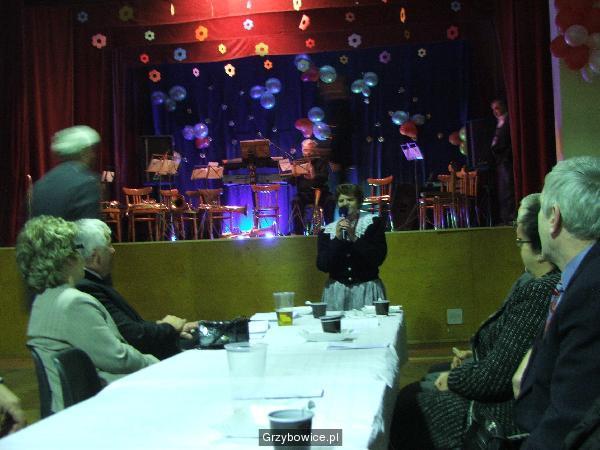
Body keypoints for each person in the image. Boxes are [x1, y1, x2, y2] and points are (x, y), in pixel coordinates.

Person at [389, 193, 560, 449]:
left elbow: (498, 376)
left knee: (408, 403)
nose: (518, 249)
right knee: (419, 387)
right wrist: (474, 356)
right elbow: (509, 349)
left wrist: (455, 378)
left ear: (541, 252)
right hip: (499, 387)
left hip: (502, 412)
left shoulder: (541, 290)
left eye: (519, 242)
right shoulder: (534, 282)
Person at [16, 216, 158, 413]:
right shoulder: (73, 303)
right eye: (76, 249)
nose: (81, 255)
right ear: (65, 258)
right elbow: (118, 358)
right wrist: (158, 364)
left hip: (66, 408)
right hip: (92, 410)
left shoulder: (42, 301)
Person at [514, 156, 600, 449]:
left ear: (554, 218)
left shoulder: (590, 292)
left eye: (540, 211)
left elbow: (569, 418)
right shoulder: (580, 275)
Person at [74, 219, 197, 360]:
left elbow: (132, 327)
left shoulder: (93, 283)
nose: (113, 250)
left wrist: (171, 329)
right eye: (109, 245)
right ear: (95, 257)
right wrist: (169, 327)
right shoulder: (87, 287)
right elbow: (132, 335)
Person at [317, 183, 387, 310]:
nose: (345, 203)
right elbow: (323, 265)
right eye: (341, 201)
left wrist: (354, 237)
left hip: (366, 289)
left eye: (350, 199)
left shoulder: (372, 224)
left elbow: (377, 258)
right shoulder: (327, 231)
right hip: (337, 292)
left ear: (359, 203)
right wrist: (337, 239)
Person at [31, 125, 101, 221]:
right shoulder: (86, 183)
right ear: (83, 152)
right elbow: (88, 228)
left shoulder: (40, 184)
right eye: (90, 150)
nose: (93, 155)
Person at [290, 139, 335, 235]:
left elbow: (325, 177)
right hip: (304, 194)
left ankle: (329, 231)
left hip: (321, 193)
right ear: (302, 150)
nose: (308, 153)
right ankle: (298, 233)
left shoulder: (321, 161)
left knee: (330, 200)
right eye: (305, 150)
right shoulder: (298, 162)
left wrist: (314, 176)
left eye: (311, 150)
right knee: (295, 201)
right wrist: (293, 176)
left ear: (315, 150)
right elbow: (292, 183)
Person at [490, 99, 515, 225]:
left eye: (497, 108)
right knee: (502, 192)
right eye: (493, 109)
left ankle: (510, 218)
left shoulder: (509, 121)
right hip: (500, 161)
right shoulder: (499, 122)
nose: (495, 111)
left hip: (506, 160)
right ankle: (505, 218)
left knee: (508, 190)